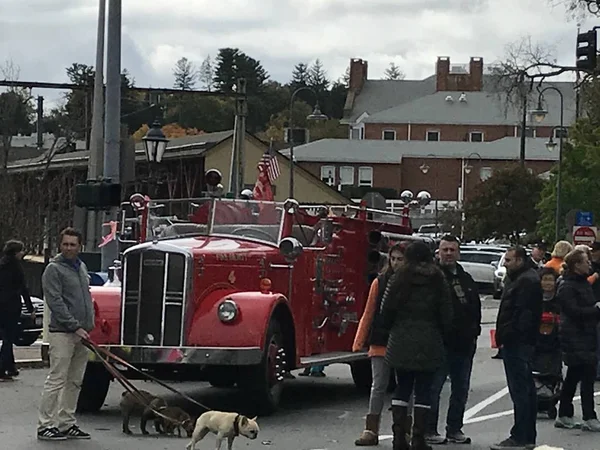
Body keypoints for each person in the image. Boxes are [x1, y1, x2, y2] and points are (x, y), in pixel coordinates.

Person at [381, 241, 453, 450]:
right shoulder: (438, 279)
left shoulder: (398, 278)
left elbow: (386, 310)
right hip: (430, 338)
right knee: (424, 390)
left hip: (401, 338)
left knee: (402, 388)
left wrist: (391, 329)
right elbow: (446, 313)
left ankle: (398, 437)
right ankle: (419, 438)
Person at [37, 228, 95, 441]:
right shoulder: (53, 269)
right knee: (57, 379)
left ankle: (66, 423)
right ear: (60, 245)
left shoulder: (81, 267)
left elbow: (86, 297)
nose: (69, 248)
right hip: (62, 333)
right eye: (65, 244)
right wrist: (74, 325)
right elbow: (56, 302)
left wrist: (88, 325)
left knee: (75, 381)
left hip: (82, 333)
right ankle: (45, 425)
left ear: (80, 246)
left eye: (73, 244)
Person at [427, 235, 481, 445]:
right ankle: (429, 429)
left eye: (452, 250)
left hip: (464, 344)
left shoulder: (465, 278)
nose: (448, 253)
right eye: (445, 250)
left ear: (458, 252)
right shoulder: (431, 277)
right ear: (438, 252)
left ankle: (454, 429)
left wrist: (474, 333)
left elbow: (474, 307)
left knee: (461, 389)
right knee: (434, 389)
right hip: (439, 343)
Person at [353, 243, 408, 446]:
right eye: (393, 259)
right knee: (378, 386)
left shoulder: (413, 283)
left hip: (403, 341)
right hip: (380, 341)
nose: (395, 263)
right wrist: (359, 340)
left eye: (400, 259)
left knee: (404, 388)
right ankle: (371, 429)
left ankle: (404, 430)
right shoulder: (380, 282)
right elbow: (369, 312)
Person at [491, 246, 543, 450]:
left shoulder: (526, 281)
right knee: (524, 390)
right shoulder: (521, 278)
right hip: (518, 341)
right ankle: (525, 435)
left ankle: (521, 436)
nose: (505, 263)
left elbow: (524, 314)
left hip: (519, 342)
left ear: (520, 260)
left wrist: (512, 335)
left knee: (521, 390)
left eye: (509, 260)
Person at [554, 249, 600, 432]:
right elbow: (573, 312)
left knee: (574, 376)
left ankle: (565, 413)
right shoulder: (566, 286)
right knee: (586, 376)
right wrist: (596, 310)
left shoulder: (582, 283)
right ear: (576, 265)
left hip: (586, 335)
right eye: (585, 262)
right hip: (574, 336)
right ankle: (589, 416)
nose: (589, 265)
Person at [0, 240, 35, 380]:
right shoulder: (17, 268)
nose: (22, 253)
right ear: (15, 253)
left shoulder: (1, 265)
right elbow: (23, 289)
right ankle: (2, 367)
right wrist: (30, 308)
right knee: (9, 337)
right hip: (12, 306)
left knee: (6, 336)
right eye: (21, 250)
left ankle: (10, 367)